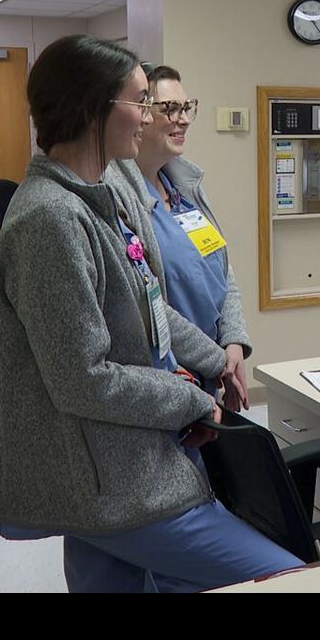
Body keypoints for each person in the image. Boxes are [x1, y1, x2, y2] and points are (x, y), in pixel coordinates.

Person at [0, 34, 302, 592]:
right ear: (94, 110)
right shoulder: (50, 222)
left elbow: (150, 306)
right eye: (139, 101)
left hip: (116, 456)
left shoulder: (97, 201)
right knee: (286, 576)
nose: (149, 115)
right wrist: (188, 399)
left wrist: (216, 361)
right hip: (110, 475)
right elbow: (83, 380)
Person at [114, 64, 250, 411]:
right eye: (170, 108)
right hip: (171, 373)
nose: (184, 119)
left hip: (215, 364)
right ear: (142, 116)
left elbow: (224, 270)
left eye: (187, 107)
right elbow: (146, 304)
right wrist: (215, 361)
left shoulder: (182, 190)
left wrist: (233, 343)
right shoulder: (119, 200)